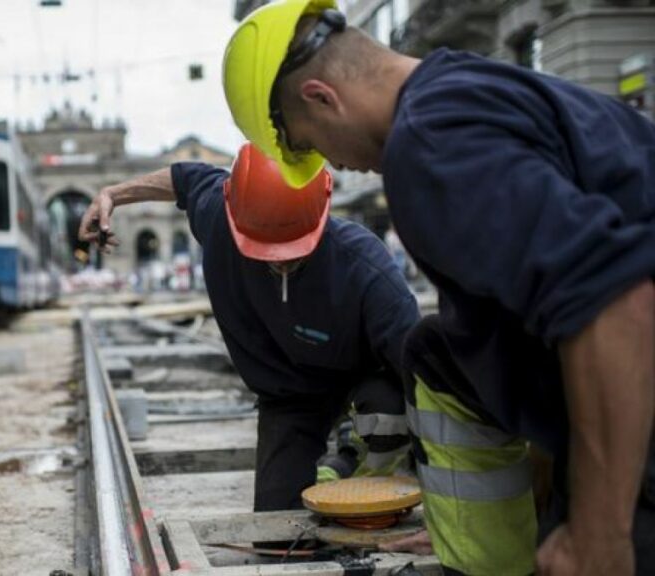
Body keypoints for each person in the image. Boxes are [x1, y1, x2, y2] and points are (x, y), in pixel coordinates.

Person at [222, 1, 655, 574]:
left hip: (640, 393)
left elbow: (616, 305)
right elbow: (540, 312)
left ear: (322, 98)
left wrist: (600, 536)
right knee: (440, 350)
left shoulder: (429, 149)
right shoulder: (463, 86)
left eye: (310, 145)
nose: (336, 165)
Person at [78, 142, 418, 519]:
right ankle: (335, 470)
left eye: (296, 254)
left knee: (384, 416)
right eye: (268, 253)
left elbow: (431, 378)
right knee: (277, 523)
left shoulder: (367, 269)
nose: (283, 265)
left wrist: (439, 495)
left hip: (363, 383)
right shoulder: (219, 216)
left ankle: (361, 464)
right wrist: (112, 194)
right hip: (289, 394)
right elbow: (183, 179)